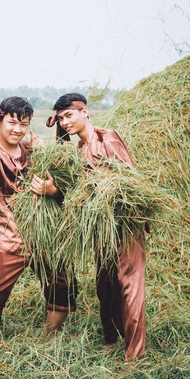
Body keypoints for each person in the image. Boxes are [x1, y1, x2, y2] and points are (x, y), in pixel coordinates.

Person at [44, 92, 146, 362]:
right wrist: (54, 191)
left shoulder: (107, 138)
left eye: (69, 115)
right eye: (61, 118)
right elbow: (77, 195)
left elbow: (131, 183)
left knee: (130, 286)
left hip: (125, 224)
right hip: (102, 229)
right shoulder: (79, 150)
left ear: (84, 111)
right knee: (105, 285)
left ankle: (135, 355)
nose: (65, 122)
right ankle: (112, 338)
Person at [0, 96, 78, 340]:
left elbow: (58, 182)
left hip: (42, 233)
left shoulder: (31, 150)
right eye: (12, 122)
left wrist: (43, 158)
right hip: (6, 235)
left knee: (62, 282)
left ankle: (50, 338)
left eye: (24, 124)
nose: (17, 130)